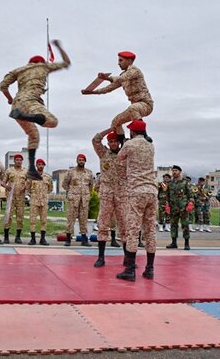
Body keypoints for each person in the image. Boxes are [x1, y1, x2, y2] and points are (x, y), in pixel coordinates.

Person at [0, 40, 71, 180]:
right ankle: (25, 116)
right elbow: (66, 62)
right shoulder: (44, 66)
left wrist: (9, 99)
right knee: (52, 121)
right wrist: (59, 47)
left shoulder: (19, 70)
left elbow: (3, 85)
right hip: (30, 102)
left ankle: (31, 169)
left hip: (16, 105)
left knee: (33, 136)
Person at [116, 119, 158, 281]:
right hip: (152, 191)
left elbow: (120, 158)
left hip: (137, 191)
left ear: (132, 131)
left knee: (133, 230)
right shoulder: (150, 145)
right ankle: (150, 268)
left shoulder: (130, 144)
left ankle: (130, 269)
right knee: (150, 231)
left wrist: (124, 143)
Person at [81, 51, 153, 142]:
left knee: (133, 108)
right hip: (134, 108)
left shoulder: (135, 71)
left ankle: (144, 136)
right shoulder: (123, 75)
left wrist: (107, 78)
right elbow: (108, 88)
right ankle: (123, 143)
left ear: (129, 61)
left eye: (121, 60)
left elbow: (122, 78)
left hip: (145, 105)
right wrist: (92, 92)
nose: (118, 63)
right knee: (115, 123)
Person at [92, 128, 126, 268]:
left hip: (121, 194)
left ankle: (128, 258)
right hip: (106, 194)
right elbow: (95, 140)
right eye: (110, 141)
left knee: (124, 225)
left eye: (115, 141)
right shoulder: (103, 153)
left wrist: (120, 132)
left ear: (119, 142)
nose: (112, 144)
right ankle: (101, 257)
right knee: (103, 225)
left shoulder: (125, 153)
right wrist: (112, 128)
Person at [62, 154, 94, 246]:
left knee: (83, 219)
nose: (81, 161)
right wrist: (72, 191)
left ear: (85, 161)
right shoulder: (71, 172)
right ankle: (68, 239)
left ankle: (84, 240)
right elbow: (64, 184)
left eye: (83, 160)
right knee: (70, 219)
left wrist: (86, 194)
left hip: (84, 200)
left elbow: (91, 185)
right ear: (77, 161)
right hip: (73, 200)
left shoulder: (89, 173)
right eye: (79, 160)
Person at [24, 158, 53, 245]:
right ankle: (33, 239)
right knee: (32, 220)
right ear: (36, 166)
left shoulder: (47, 177)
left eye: (42, 164)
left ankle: (42, 239)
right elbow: (27, 187)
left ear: (44, 166)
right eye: (39, 164)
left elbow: (50, 188)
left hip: (44, 202)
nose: (40, 166)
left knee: (43, 220)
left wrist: (44, 195)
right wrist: (33, 195)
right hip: (34, 201)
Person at [165, 165, 194, 250]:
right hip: (173, 208)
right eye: (173, 170)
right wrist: (167, 205)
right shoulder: (170, 183)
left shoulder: (185, 182)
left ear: (180, 172)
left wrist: (190, 204)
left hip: (183, 208)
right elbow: (167, 196)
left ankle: (186, 243)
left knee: (185, 225)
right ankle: (174, 243)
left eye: (176, 170)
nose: (174, 172)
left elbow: (190, 195)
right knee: (173, 225)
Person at [3, 154, 28, 244]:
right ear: (14, 161)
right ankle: (6, 237)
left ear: (22, 161)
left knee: (20, 217)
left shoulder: (25, 171)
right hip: (11, 197)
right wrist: (6, 186)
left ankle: (18, 237)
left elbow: (29, 182)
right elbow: (2, 182)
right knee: (8, 216)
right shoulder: (9, 170)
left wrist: (25, 187)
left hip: (20, 197)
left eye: (20, 160)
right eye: (17, 160)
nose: (18, 161)